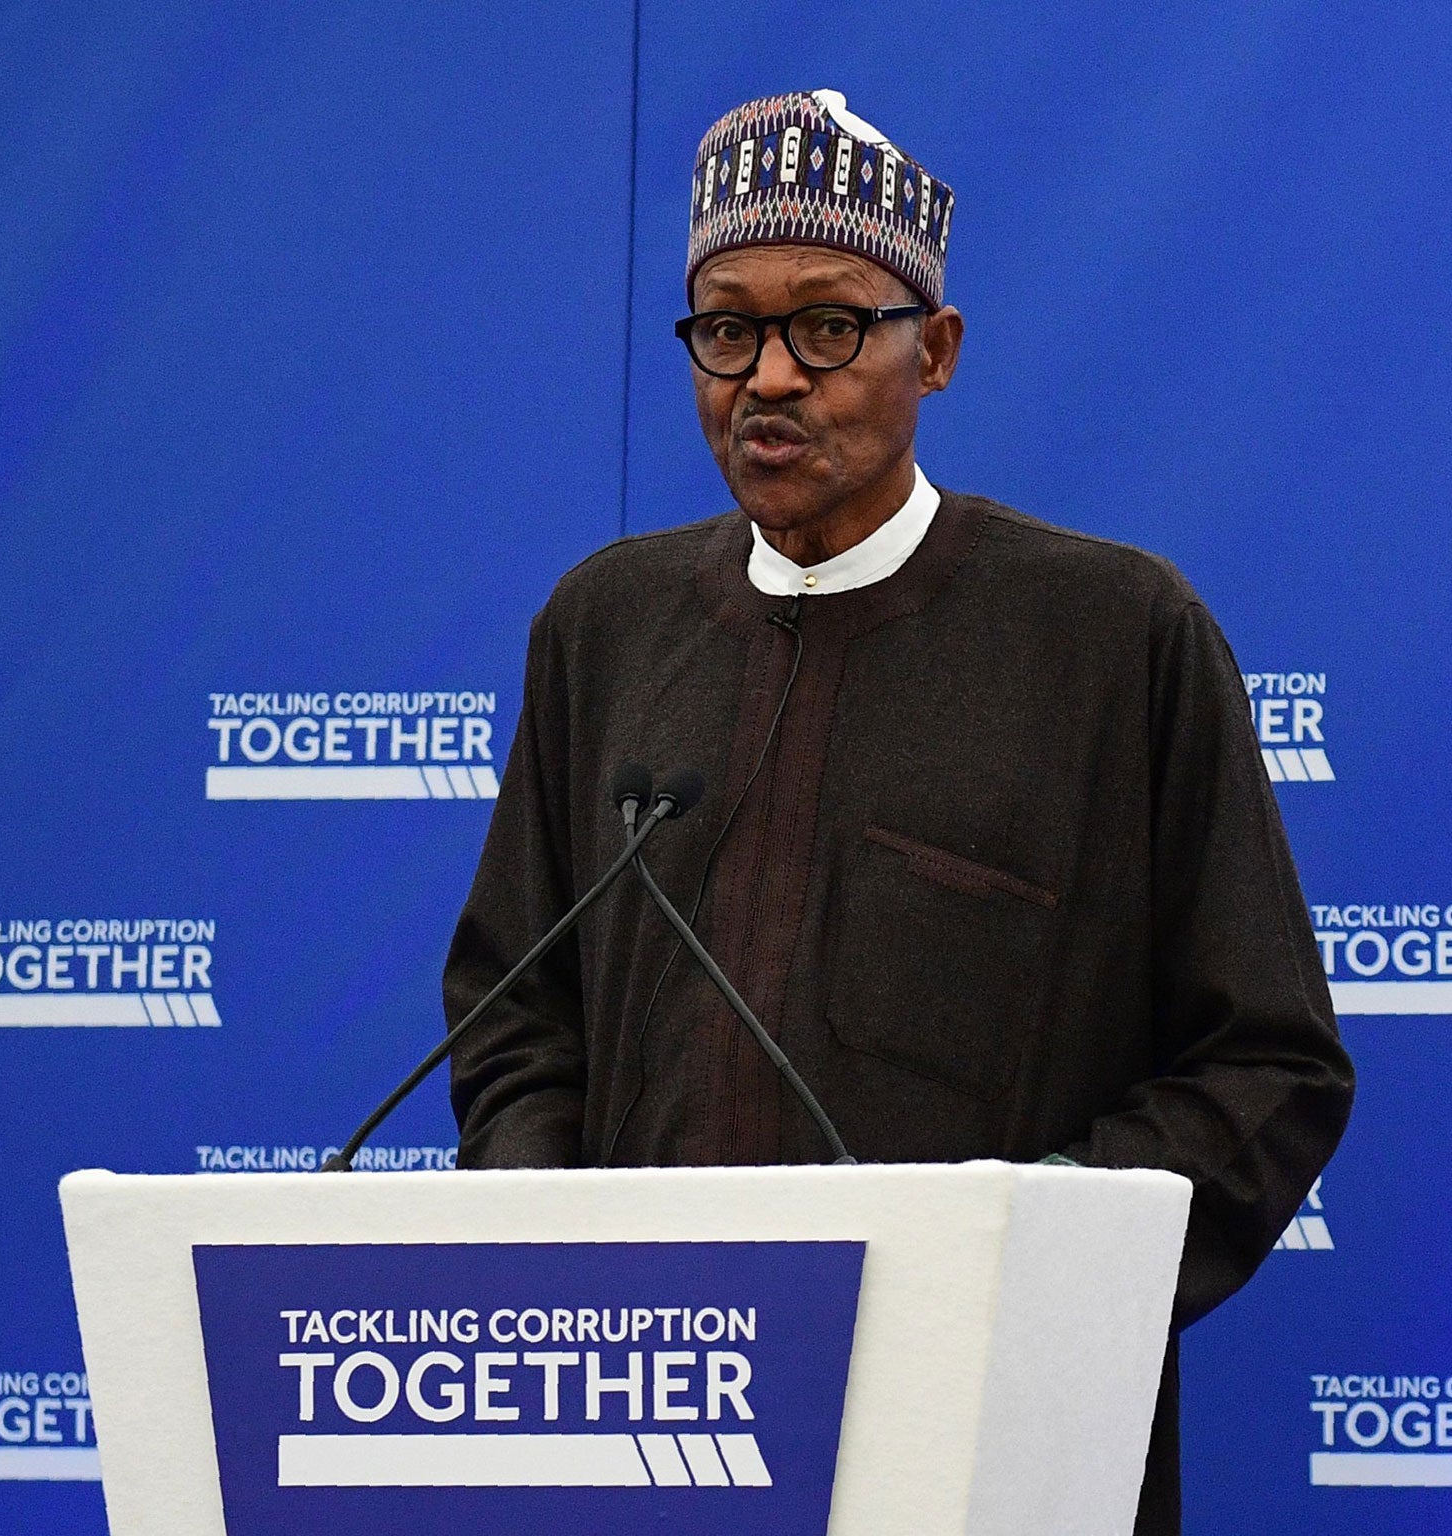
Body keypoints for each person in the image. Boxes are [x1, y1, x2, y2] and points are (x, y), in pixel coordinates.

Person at [444, 88, 1353, 1535]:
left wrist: (1028, 1250)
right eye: (726, 329)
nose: (770, 380)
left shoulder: (1113, 638)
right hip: (638, 1435)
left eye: (828, 326)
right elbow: (512, 1014)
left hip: (989, 1444)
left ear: (934, 351)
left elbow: (1268, 1063)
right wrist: (560, 1250)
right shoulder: (603, 629)